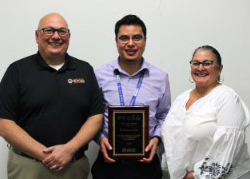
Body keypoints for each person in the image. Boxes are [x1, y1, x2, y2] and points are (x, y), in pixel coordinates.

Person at [0, 13, 103, 179]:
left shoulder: (84, 70)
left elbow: (95, 117)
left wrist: (68, 150)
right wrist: (47, 155)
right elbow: (4, 123)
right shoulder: (17, 71)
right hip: (29, 167)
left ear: (69, 36)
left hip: (74, 166)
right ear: (37, 35)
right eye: (49, 31)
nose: (56, 36)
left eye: (62, 31)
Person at [91, 14, 171, 179]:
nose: (130, 44)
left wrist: (157, 138)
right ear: (116, 41)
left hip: (146, 164)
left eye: (136, 38)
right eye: (124, 38)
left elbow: (165, 115)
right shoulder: (99, 75)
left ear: (145, 40)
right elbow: (89, 115)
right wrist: (99, 138)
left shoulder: (160, 77)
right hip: (109, 163)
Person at [161, 45, 250, 179]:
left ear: (219, 69)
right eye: (195, 63)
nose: (200, 68)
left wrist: (195, 175)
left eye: (207, 63)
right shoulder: (181, 98)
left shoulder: (227, 98)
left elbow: (226, 149)